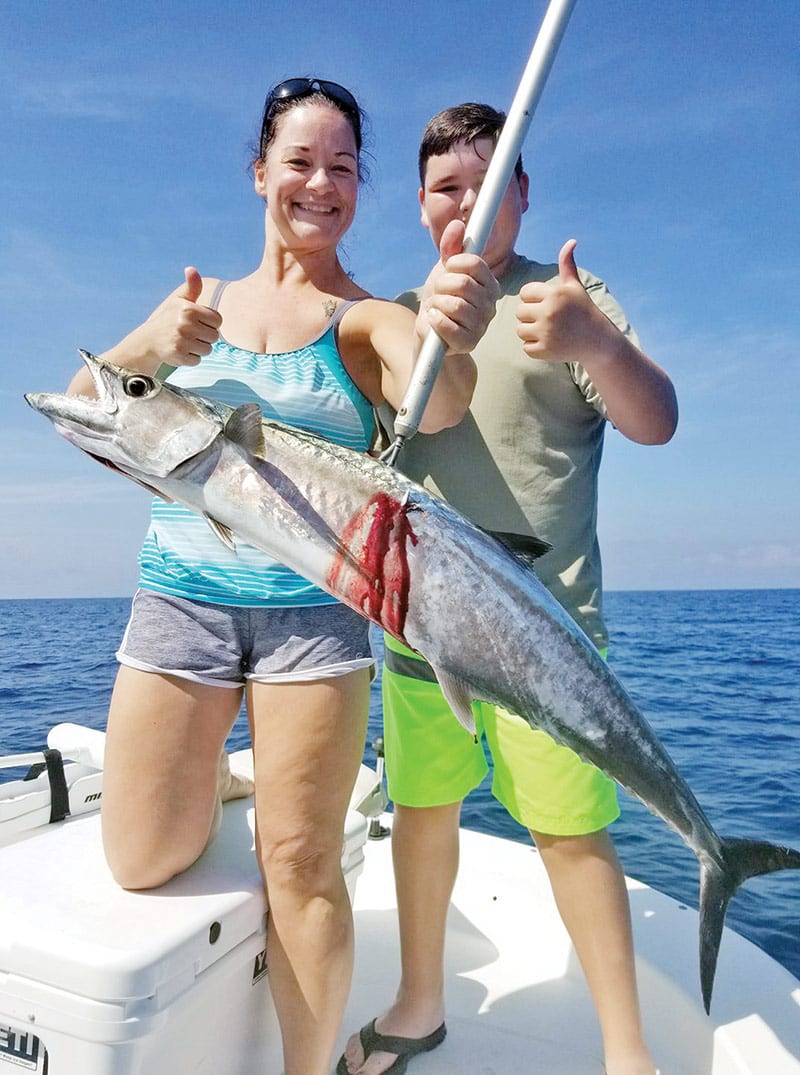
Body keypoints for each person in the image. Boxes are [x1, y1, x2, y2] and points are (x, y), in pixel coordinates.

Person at [67, 81, 498, 1075]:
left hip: (312, 615)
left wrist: (449, 334)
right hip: (179, 601)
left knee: (298, 863)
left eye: (343, 167)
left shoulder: (363, 317)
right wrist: (149, 352)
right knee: (140, 857)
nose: (319, 183)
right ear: (259, 171)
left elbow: (438, 405)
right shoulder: (195, 306)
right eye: (298, 161)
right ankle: (222, 777)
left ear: (359, 188)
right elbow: (91, 417)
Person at [340, 103, 678, 1075]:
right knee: (421, 814)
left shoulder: (564, 301)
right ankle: (416, 1000)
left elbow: (653, 421)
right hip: (416, 638)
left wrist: (597, 345)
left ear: (522, 196)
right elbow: (372, 461)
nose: (466, 203)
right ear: (418, 206)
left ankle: (625, 1050)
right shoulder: (395, 319)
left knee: (570, 832)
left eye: (488, 185)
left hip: (548, 639)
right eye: (447, 188)